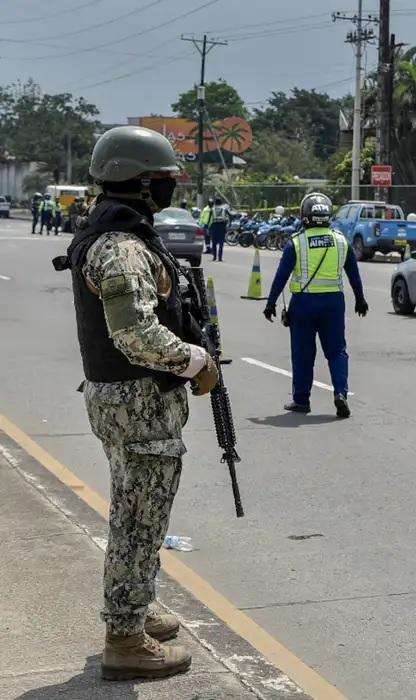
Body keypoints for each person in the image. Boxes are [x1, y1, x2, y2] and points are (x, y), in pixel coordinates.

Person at [61, 125, 219, 681]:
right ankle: (125, 638)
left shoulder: (107, 234)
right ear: (143, 182)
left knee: (140, 513)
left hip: (122, 400)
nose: (172, 186)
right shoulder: (124, 248)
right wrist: (197, 363)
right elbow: (137, 336)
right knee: (139, 518)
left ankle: (135, 604)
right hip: (138, 402)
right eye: (166, 178)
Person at [263, 193, 368, 417]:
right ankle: (340, 393)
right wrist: (360, 299)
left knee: (303, 354)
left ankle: (301, 400)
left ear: (304, 216)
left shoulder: (296, 243)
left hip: (303, 305)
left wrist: (271, 303)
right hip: (334, 304)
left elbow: (281, 277)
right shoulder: (342, 241)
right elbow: (354, 275)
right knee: (337, 351)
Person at [209, 196, 230, 262]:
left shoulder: (212, 209)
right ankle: (220, 257)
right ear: (221, 203)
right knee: (221, 243)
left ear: (215, 202)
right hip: (222, 225)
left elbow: (209, 219)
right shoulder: (224, 209)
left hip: (214, 226)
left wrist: (208, 227)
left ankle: (214, 257)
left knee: (214, 242)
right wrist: (229, 224)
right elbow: (230, 216)